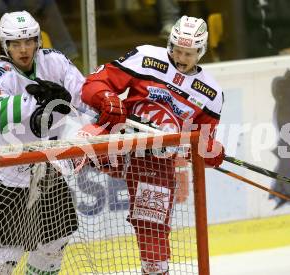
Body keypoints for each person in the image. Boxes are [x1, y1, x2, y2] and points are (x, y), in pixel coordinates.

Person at [81, 15, 225, 274]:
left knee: (152, 234)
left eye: (189, 54)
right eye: (177, 50)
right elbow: (94, 84)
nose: (181, 58)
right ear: (169, 44)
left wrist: (210, 151)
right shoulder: (147, 57)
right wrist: (108, 98)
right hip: (119, 138)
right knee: (77, 139)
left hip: (155, 161)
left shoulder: (211, 93)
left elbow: (201, 141)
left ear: (201, 52)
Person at [0, 10, 88, 274]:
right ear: (4, 45)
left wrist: (99, 105)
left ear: (38, 40)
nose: (24, 49)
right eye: (15, 43)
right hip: (10, 180)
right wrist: (38, 99)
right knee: (2, 262)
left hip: (49, 173)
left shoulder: (55, 62)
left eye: (29, 41)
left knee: (55, 246)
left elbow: (82, 97)